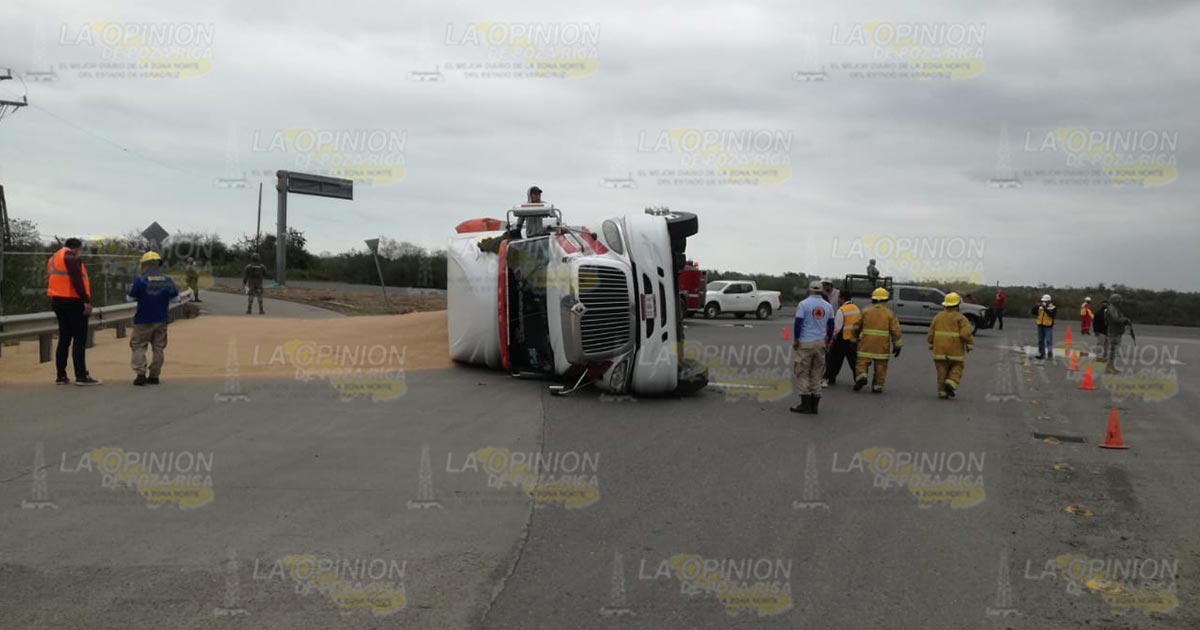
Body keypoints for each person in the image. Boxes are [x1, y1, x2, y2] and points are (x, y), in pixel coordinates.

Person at [47, 237, 101, 385]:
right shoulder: (71, 257)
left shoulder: (54, 258)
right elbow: (77, 280)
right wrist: (86, 300)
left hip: (57, 302)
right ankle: (81, 376)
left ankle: (61, 375)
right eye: (80, 250)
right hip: (73, 302)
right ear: (76, 248)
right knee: (79, 339)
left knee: (64, 339)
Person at [126, 251, 179, 385]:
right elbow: (176, 299)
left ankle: (140, 374)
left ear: (145, 265)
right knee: (158, 348)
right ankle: (154, 375)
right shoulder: (168, 281)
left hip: (142, 319)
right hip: (161, 319)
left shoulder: (140, 280)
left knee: (138, 346)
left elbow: (130, 298)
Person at [790, 281, 833, 414]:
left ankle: (805, 404)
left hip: (806, 343)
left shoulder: (803, 304)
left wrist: (796, 339)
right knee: (816, 373)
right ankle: (815, 405)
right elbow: (831, 326)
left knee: (802, 373)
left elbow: (798, 323)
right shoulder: (828, 306)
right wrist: (827, 339)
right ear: (821, 291)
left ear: (809, 290)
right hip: (820, 342)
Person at [850, 287, 903, 393]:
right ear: (886, 300)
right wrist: (897, 345)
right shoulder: (890, 314)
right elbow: (895, 331)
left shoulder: (865, 311)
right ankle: (877, 386)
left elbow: (856, 326)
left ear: (873, 299)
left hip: (866, 344)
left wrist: (853, 340)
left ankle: (862, 376)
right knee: (881, 366)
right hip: (882, 347)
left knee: (862, 363)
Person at [927, 292, 974, 399]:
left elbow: (931, 333)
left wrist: (931, 342)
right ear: (957, 305)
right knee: (958, 366)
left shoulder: (938, 317)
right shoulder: (961, 318)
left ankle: (942, 392)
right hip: (955, 351)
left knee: (941, 371)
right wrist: (970, 344)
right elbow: (965, 334)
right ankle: (952, 382)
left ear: (945, 304)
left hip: (939, 351)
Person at [823, 293, 860, 387]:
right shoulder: (856, 308)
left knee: (834, 360)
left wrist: (830, 337)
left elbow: (837, 327)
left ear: (842, 298)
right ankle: (858, 379)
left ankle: (828, 378)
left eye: (839, 298)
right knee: (854, 361)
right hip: (853, 339)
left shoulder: (842, 310)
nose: (838, 301)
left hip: (842, 338)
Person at [1103, 293, 1132, 374]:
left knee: (1113, 352)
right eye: (1118, 300)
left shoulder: (1114, 308)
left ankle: (1110, 367)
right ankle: (1109, 368)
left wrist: (1124, 320)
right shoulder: (1112, 309)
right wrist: (1125, 320)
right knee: (1113, 351)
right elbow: (1115, 319)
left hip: (1115, 332)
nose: (1120, 301)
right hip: (1114, 333)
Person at [1032, 294, 1057, 360]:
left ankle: (1049, 353)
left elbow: (1052, 315)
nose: (1044, 302)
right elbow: (1034, 313)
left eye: (1046, 301)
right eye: (1043, 301)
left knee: (1049, 340)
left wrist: (1045, 308)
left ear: (1049, 301)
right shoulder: (1040, 307)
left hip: (1048, 326)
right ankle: (1041, 353)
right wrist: (1035, 307)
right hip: (1040, 325)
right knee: (1040, 340)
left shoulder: (1053, 307)